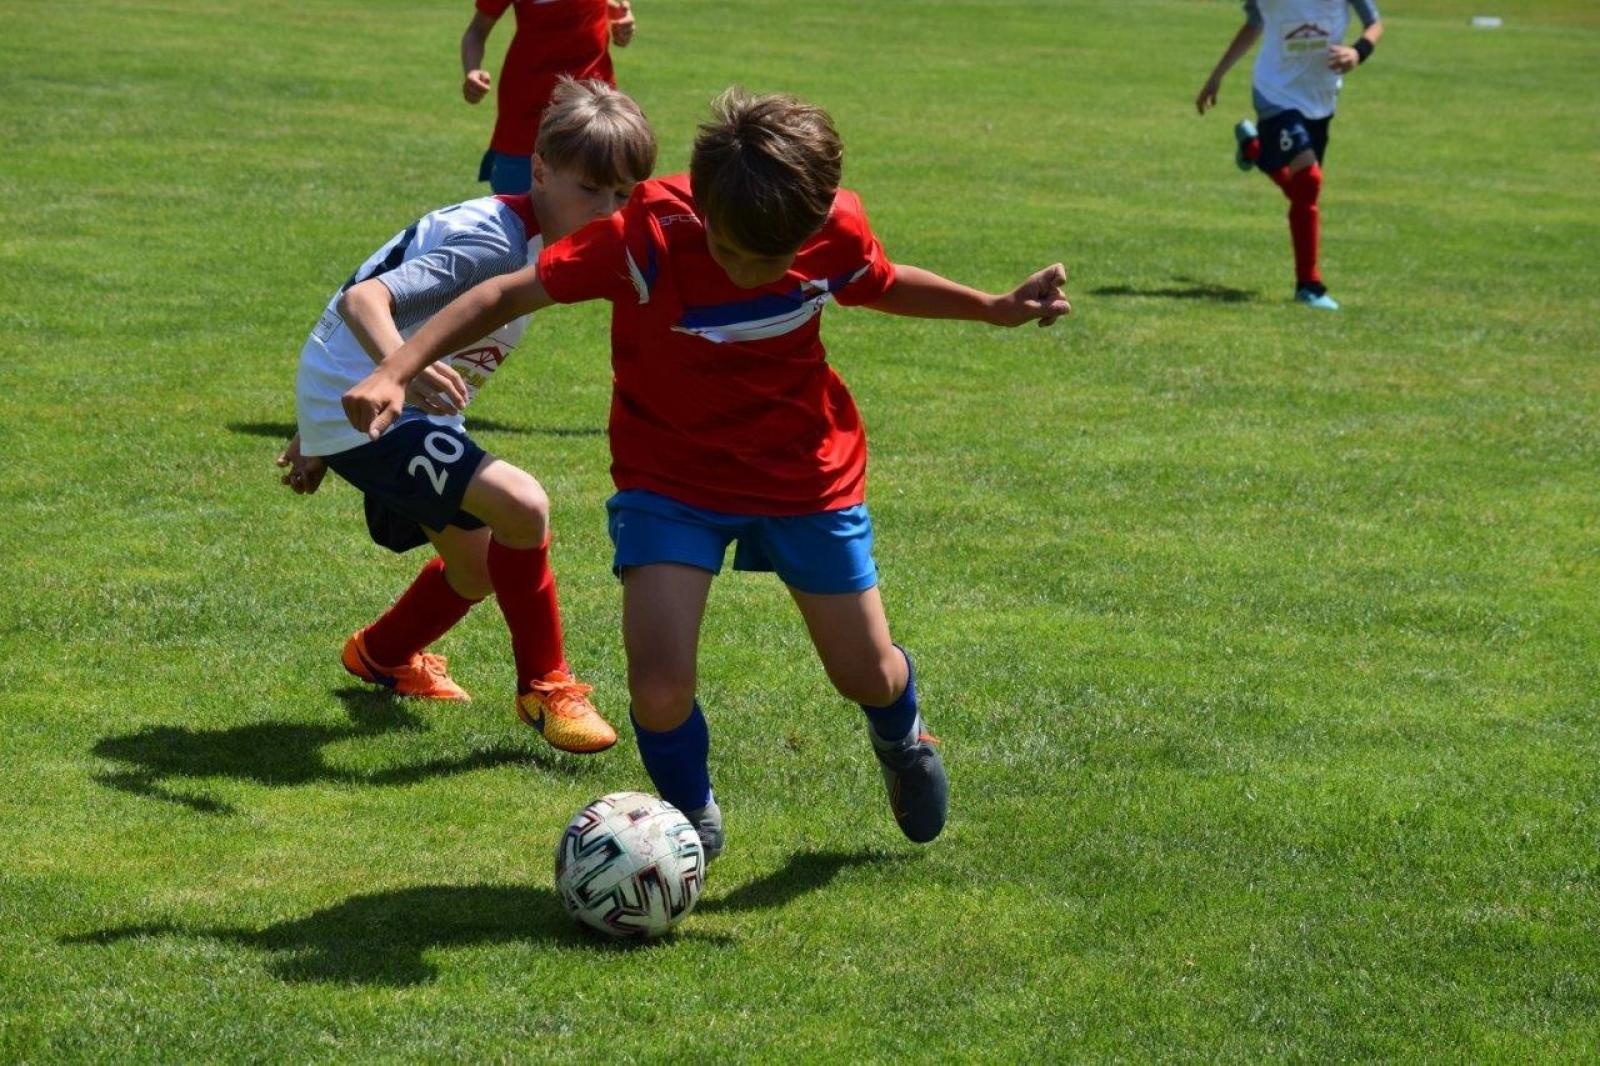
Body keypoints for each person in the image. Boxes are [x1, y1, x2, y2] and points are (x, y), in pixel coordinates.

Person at [340, 88, 1071, 858]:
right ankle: (689, 822)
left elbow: (878, 283)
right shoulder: (645, 236)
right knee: (657, 688)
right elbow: (502, 292)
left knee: (866, 672)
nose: (749, 271)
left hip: (804, 477)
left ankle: (900, 736)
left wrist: (992, 308)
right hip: (670, 480)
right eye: (729, 252)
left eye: (771, 260)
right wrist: (399, 366)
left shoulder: (834, 228)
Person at [277, 79, 656, 754]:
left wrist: (317, 424)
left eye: (623, 195)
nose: (606, 210)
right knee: (523, 506)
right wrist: (396, 376)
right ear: (539, 169)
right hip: (377, 402)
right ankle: (546, 689)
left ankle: (381, 656)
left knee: (479, 568)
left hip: (372, 397)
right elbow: (366, 300)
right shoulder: (492, 245)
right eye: (590, 189)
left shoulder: (537, 237)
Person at [1196, 1, 1384, 310]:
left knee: (1303, 189)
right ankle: (1309, 286)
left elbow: (1375, 24)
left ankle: (1254, 150)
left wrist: (1357, 52)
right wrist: (1218, 74)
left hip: (1320, 99)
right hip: (1275, 93)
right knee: (1309, 181)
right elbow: (1253, 25)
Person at [462, 0, 637, 194]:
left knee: (600, 209)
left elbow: (615, 6)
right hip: (529, 117)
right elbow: (476, 33)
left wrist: (624, 17)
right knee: (520, 209)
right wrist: (472, 70)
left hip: (596, 110)